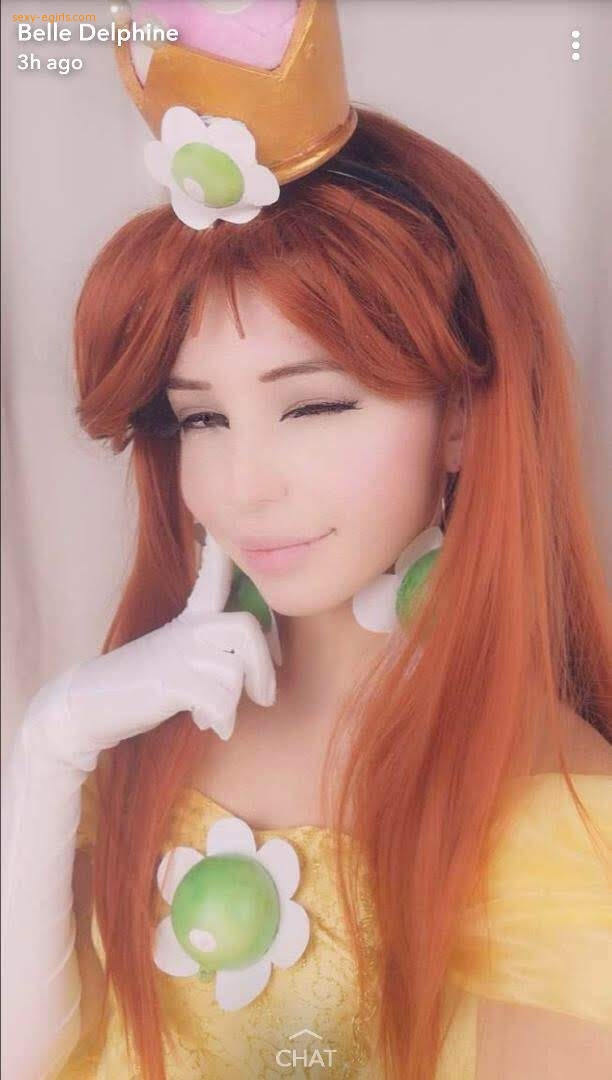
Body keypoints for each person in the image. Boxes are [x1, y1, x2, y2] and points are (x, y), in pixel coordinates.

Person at [2, 2, 611, 1078]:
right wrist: (53, 746)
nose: (245, 485)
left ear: (460, 418)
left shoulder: (547, 796)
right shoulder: (148, 731)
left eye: (317, 405)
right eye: (201, 418)